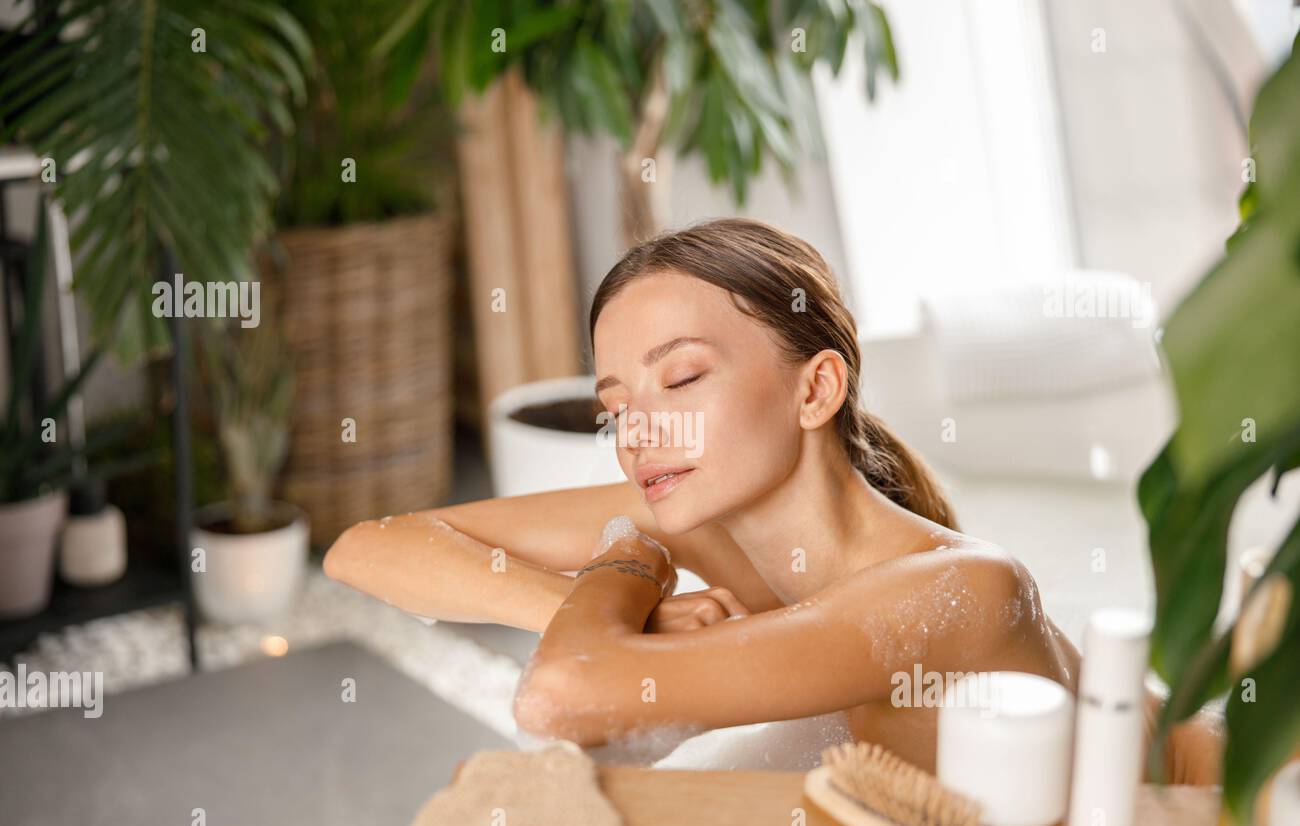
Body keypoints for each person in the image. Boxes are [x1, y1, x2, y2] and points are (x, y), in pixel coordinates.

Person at [325, 218, 1223, 785]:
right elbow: (367, 547)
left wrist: (626, 561)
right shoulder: (714, 522)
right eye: (617, 406)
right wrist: (576, 601)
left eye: (681, 377)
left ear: (815, 389)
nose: (640, 432)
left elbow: (563, 693)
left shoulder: (958, 590)